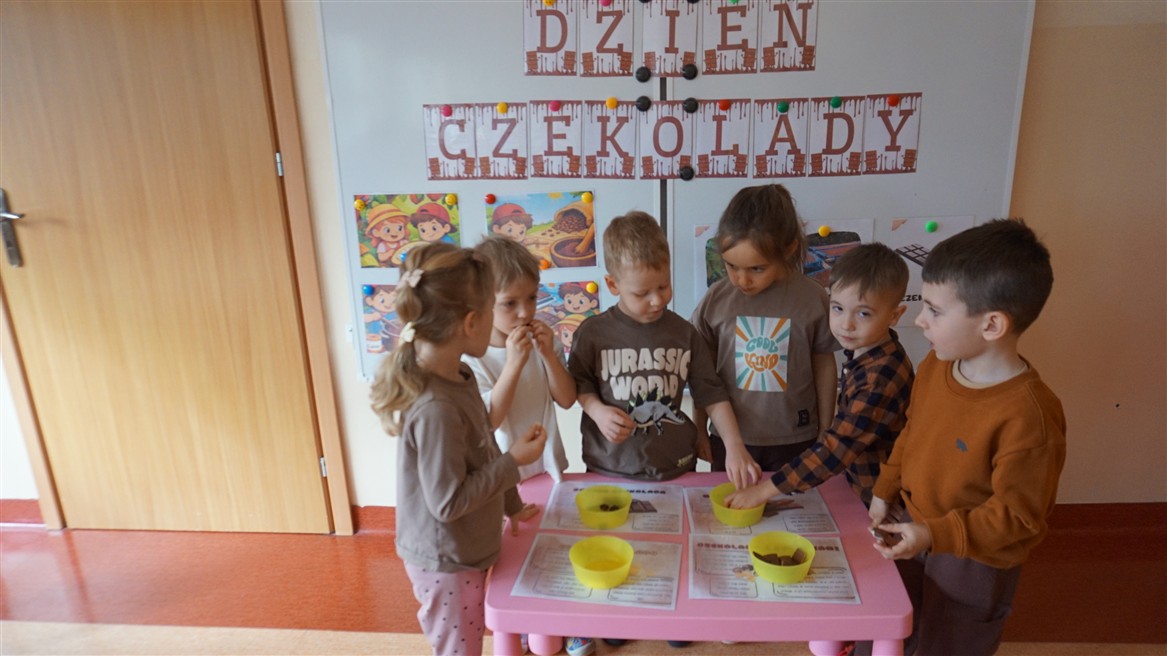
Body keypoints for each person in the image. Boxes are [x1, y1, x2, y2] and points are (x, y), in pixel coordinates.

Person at [868, 219, 1066, 656]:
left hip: (974, 561)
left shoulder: (1029, 417)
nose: (919, 319)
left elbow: (1018, 518)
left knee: (949, 643)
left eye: (935, 310)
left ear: (992, 325)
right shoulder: (937, 365)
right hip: (912, 526)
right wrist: (885, 490)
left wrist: (934, 534)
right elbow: (912, 432)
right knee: (891, 627)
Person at [567, 210, 752, 650]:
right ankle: (620, 614)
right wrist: (596, 410)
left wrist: (735, 446)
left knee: (673, 545)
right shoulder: (593, 333)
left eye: (664, 287)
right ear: (612, 284)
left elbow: (711, 391)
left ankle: (676, 619)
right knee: (614, 545)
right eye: (642, 292)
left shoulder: (684, 333)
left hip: (674, 465)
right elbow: (578, 384)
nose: (656, 300)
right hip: (610, 466)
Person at [369, 242, 547, 656]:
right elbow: (447, 502)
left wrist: (512, 504)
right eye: (490, 310)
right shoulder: (435, 408)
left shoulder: (460, 374)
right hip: (445, 560)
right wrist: (514, 462)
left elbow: (483, 447)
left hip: (468, 545)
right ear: (471, 322)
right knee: (460, 648)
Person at [463, 236, 594, 656]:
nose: (525, 312)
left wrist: (549, 355)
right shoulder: (473, 356)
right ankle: (520, 624)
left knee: (559, 549)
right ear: (482, 303)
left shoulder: (542, 339)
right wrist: (516, 362)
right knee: (513, 560)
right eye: (510, 303)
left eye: (532, 298)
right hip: (503, 480)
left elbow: (567, 398)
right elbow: (488, 420)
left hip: (549, 469)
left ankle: (565, 622)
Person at [726, 242, 915, 510]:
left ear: (895, 315)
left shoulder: (880, 377)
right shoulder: (865, 354)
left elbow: (838, 448)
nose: (846, 324)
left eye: (863, 313)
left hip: (881, 501)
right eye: (837, 308)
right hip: (858, 488)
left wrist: (763, 491)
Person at [690, 184, 839, 488]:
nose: (742, 280)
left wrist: (826, 428)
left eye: (757, 268)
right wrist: (698, 427)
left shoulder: (812, 298)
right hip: (730, 440)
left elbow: (824, 364)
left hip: (797, 439)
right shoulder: (716, 299)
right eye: (731, 266)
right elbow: (701, 372)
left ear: (788, 250)